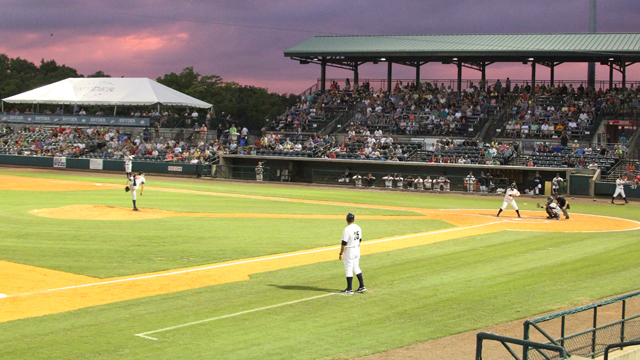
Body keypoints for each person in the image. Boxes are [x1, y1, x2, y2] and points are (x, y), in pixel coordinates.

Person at [338, 213, 366, 294]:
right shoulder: (358, 227)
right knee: (356, 266)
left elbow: (344, 242)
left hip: (350, 250)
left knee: (348, 267)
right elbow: (360, 240)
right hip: (357, 249)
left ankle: (349, 288)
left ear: (347, 220)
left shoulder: (347, 229)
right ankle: (362, 286)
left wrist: (341, 253)